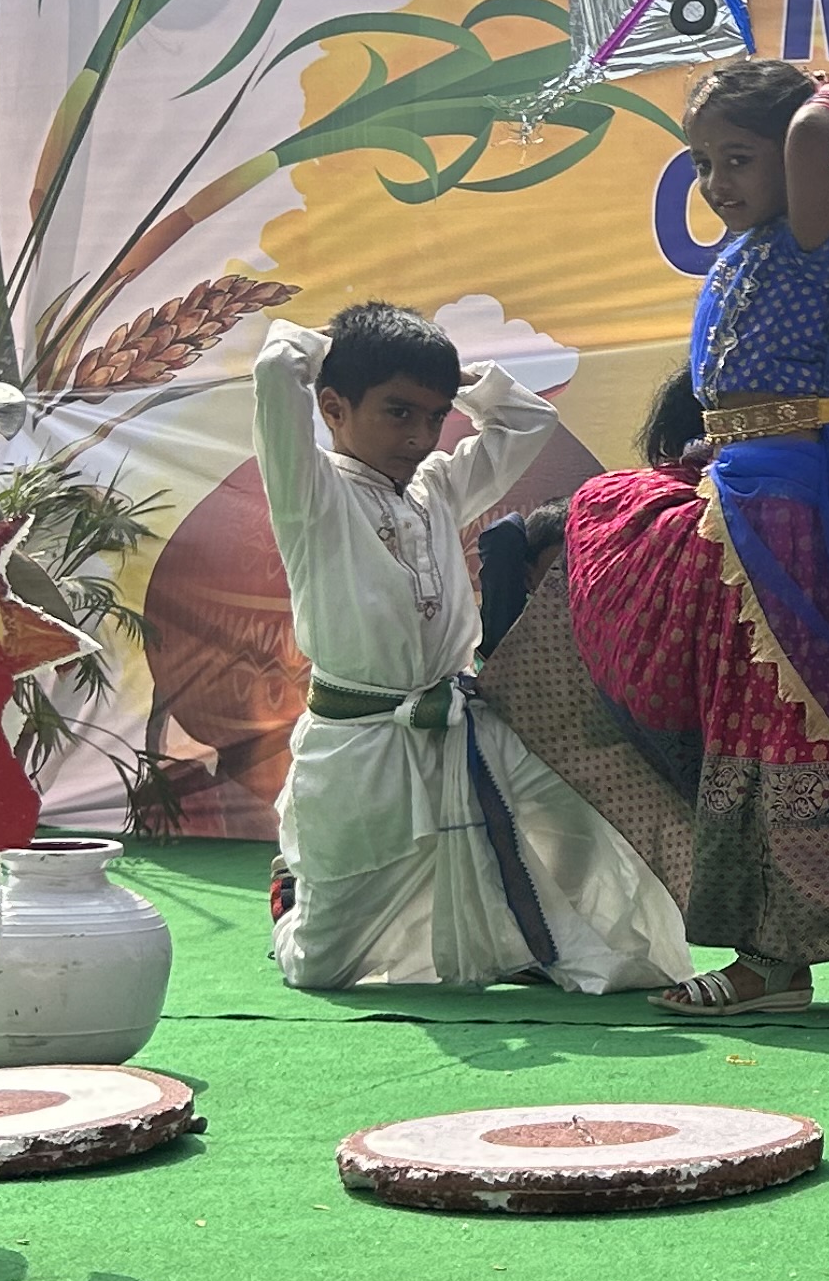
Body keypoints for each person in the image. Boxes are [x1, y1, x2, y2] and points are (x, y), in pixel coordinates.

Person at [546, 61, 829, 1015]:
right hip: (743, 487)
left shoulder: (808, 233)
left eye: (737, 158)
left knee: (782, 717)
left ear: (804, 161)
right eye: (703, 162)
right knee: (737, 709)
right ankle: (762, 950)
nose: (717, 182)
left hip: (785, 509)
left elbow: (813, 137)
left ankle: (776, 961)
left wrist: (825, 98)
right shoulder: (750, 248)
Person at [251, 301, 689, 995]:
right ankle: (293, 897)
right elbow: (277, 369)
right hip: (359, 747)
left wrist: (459, 381)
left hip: (465, 729)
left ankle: (537, 935)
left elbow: (526, 420)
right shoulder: (311, 493)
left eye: (435, 416)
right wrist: (335, 343)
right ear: (332, 408)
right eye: (399, 412)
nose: (420, 435)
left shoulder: (435, 487)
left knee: (578, 790)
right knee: (320, 969)